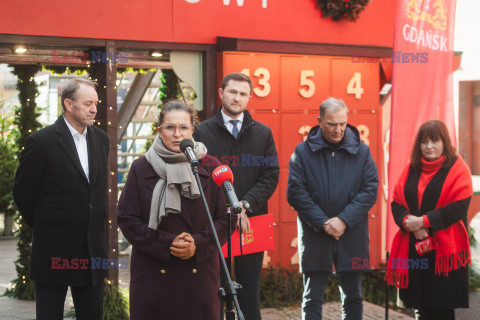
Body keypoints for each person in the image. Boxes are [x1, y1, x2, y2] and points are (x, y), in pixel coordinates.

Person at [117, 101, 232, 320]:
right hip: (155, 274)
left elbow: (227, 218)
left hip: (199, 275)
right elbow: (127, 218)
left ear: (192, 130)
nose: (177, 134)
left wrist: (197, 244)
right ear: (159, 130)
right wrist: (166, 243)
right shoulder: (141, 168)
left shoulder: (211, 166)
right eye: (170, 127)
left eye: (183, 127)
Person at [13, 78, 109, 320]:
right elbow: (23, 193)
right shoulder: (41, 141)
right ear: (68, 104)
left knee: (92, 314)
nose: (94, 109)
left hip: (92, 250)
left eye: (95, 103)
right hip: (54, 249)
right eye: (87, 103)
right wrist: (46, 226)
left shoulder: (101, 138)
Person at [193, 72, 279, 320]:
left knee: (249, 293)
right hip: (215, 223)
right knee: (215, 290)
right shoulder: (201, 132)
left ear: (250, 98)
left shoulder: (263, 133)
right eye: (232, 92)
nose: (237, 98)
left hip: (251, 222)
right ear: (221, 94)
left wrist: (245, 204)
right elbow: (198, 177)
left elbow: (270, 175)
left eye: (243, 94)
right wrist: (227, 209)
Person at [286, 97, 379, 320]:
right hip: (315, 234)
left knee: (353, 297)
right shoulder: (302, 151)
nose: (338, 130)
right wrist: (324, 222)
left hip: (352, 234)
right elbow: (295, 193)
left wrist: (343, 220)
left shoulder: (363, 152)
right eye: (331, 124)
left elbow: (370, 190)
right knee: (312, 297)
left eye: (343, 124)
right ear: (319, 121)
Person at [386, 120, 473, 320]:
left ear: (445, 142)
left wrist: (422, 221)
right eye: (424, 142)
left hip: (444, 252)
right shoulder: (412, 169)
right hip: (416, 249)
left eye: (435, 140)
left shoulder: (457, 168)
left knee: (442, 309)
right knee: (420, 308)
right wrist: (410, 222)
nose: (429, 146)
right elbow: (396, 204)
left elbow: (458, 209)